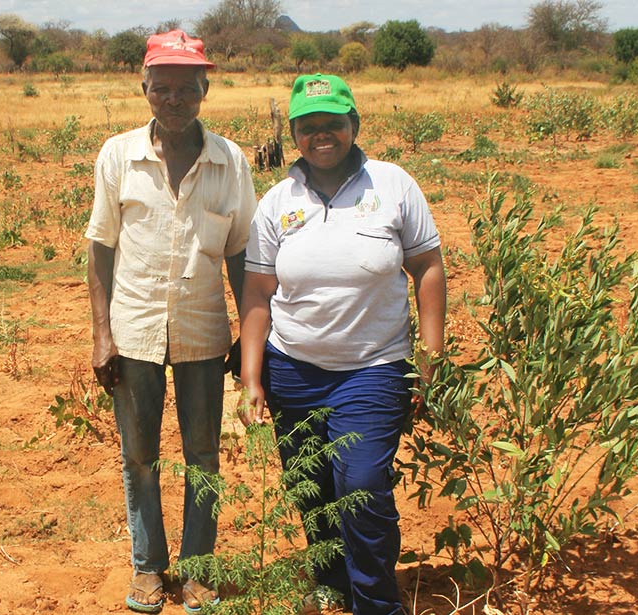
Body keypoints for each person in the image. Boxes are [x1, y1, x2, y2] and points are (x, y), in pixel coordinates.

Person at [238, 74, 446, 615]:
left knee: (362, 485)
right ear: (294, 135)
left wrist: (430, 356)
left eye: (334, 124)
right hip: (293, 369)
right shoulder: (276, 201)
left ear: (354, 125)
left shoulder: (393, 185)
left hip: (373, 368)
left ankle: (376, 602)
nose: (322, 136)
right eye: (308, 127)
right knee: (310, 487)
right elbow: (259, 290)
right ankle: (331, 583)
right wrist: (252, 377)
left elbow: (426, 267)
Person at [86, 30, 257, 615]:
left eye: (187, 88)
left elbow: (241, 253)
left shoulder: (229, 160)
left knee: (203, 456)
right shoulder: (118, 154)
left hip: (204, 329)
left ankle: (200, 568)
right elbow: (101, 247)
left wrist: (247, 339)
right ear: (145, 90)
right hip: (131, 328)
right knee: (139, 454)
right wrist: (102, 334)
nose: (175, 99)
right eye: (163, 88)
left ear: (205, 90)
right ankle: (147, 568)